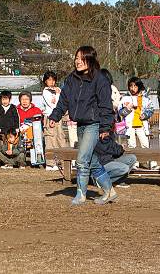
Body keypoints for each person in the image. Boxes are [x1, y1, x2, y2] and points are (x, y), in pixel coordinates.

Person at [49, 45, 116, 205]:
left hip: (94, 124)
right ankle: (110, 191)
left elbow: (106, 105)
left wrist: (105, 127)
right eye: (76, 58)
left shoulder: (100, 79)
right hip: (80, 124)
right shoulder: (71, 79)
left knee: (82, 160)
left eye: (81, 58)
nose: (77, 61)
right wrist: (55, 116)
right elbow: (63, 100)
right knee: (91, 161)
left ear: (90, 60)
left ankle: (81, 194)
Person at [119, 77, 156, 169]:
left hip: (141, 125)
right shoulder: (125, 98)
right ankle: (134, 163)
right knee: (131, 145)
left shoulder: (145, 98)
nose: (133, 88)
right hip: (129, 126)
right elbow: (120, 112)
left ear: (139, 86)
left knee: (145, 144)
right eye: (131, 86)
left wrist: (145, 115)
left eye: (135, 86)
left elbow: (151, 109)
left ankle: (150, 162)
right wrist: (127, 109)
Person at [41, 70, 67, 171]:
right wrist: (57, 94)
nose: (51, 82)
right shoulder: (46, 91)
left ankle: (62, 162)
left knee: (60, 138)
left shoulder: (58, 90)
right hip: (49, 117)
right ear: (45, 81)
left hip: (58, 117)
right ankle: (50, 163)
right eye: (49, 80)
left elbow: (63, 102)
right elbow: (52, 104)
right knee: (50, 139)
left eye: (53, 80)